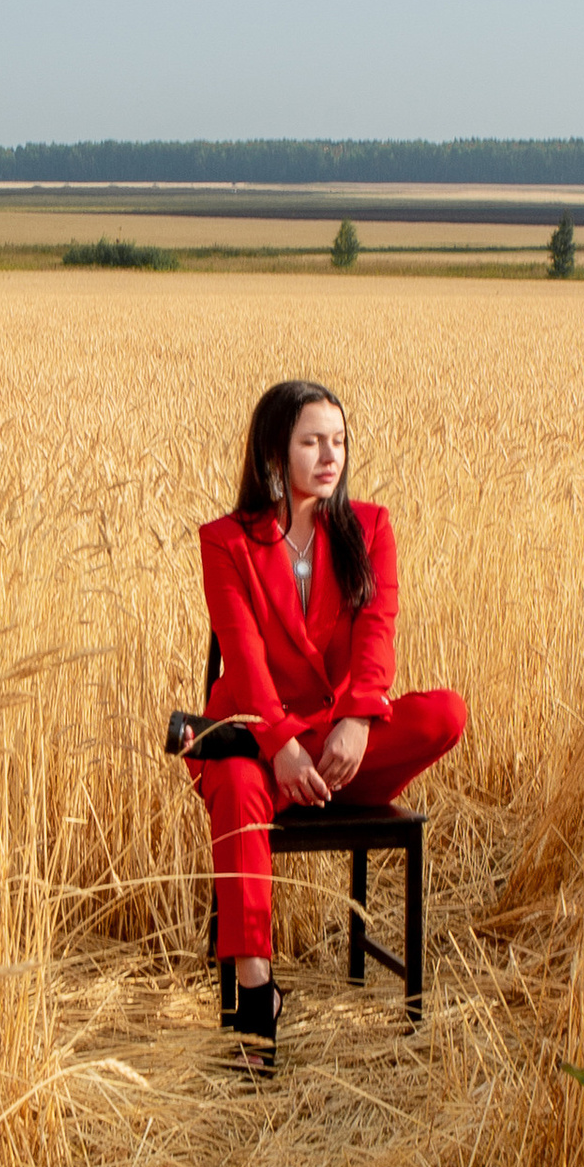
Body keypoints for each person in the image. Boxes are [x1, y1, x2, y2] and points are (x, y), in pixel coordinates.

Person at [192, 379, 466, 1069]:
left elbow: (378, 634)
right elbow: (245, 657)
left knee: (445, 712)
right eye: (312, 441)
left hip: (344, 749)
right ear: (274, 455)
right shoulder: (227, 543)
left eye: (338, 441)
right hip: (265, 746)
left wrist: (357, 720)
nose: (329, 456)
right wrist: (280, 742)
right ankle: (258, 995)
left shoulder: (369, 527)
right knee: (236, 780)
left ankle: (273, 758)